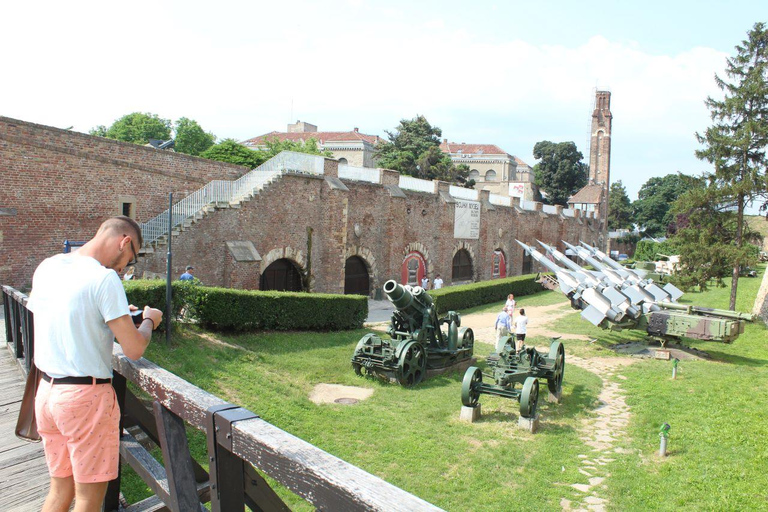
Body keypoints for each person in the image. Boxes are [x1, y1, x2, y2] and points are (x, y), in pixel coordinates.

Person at [29, 216, 163, 512]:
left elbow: (63, 317)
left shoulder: (49, 266)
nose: (125, 268)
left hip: (48, 394)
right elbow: (134, 348)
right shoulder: (105, 279)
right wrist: (150, 321)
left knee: (59, 492)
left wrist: (111, 314)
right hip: (84, 400)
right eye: (130, 260)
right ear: (124, 241)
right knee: (89, 500)